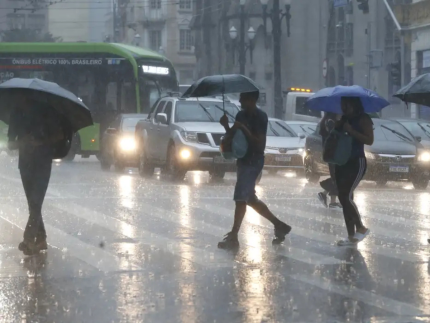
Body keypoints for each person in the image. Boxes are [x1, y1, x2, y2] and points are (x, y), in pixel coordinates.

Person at [218, 91, 291, 249]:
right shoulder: (240, 115)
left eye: (242, 98)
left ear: (251, 100)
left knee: (240, 198)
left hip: (254, 161)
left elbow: (259, 143)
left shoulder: (260, 117)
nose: (240, 101)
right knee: (249, 198)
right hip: (243, 160)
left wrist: (243, 128)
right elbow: (234, 136)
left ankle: (234, 236)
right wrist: (226, 126)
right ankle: (279, 225)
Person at [8, 97, 64, 255]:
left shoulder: (47, 111)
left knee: (35, 202)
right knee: (33, 205)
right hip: (25, 164)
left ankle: (28, 239)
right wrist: (23, 142)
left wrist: (40, 141)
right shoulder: (17, 114)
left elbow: (59, 135)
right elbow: (10, 144)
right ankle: (41, 238)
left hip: (42, 163)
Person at [335, 97, 373, 246]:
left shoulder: (363, 119)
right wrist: (337, 126)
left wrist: (351, 131)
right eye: (343, 104)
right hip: (341, 161)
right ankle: (351, 235)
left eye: (347, 104)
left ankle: (361, 227)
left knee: (345, 196)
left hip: (356, 161)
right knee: (344, 197)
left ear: (354, 104)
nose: (344, 107)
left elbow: (369, 140)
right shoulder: (344, 119)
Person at [317, 112, 342, 209]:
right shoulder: (331, 122)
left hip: (330, 153)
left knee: (336, 177)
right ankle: (327, 197)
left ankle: (330, 199)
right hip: (333, 154)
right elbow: (335, 137)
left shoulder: (326, 121)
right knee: (337, 177)